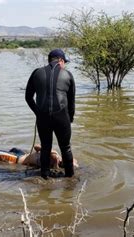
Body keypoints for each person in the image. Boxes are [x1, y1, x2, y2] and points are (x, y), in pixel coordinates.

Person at [25, 49, 76, 179]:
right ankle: (70, 179)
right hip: (61, 117)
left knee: (46, 147)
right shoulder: (68, 75)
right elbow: (71, 103)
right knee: (66, 148)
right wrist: (69, 119)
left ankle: (45, 177)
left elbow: (28, 97)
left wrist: (38, 112)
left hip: (43, 117)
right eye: (64, 62)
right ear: (61, 60)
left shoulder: (37, 73)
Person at [0, 144, 79, 169]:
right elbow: (36, 146)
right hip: (20, 155)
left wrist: (56, 165)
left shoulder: (53, 167)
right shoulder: (54, 154)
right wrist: (50, 151)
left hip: (17, 159)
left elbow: (75, 164)